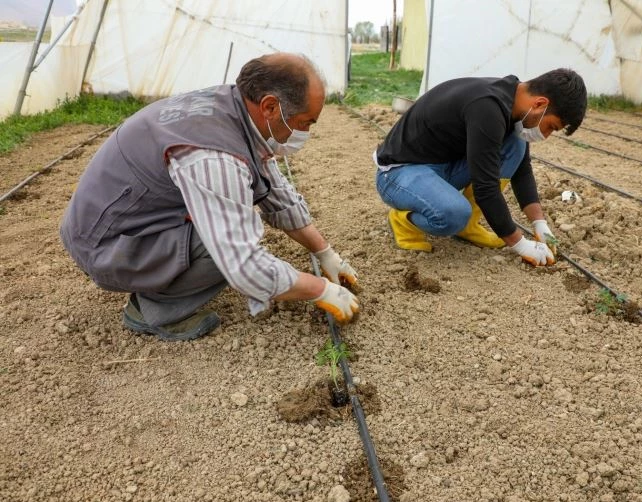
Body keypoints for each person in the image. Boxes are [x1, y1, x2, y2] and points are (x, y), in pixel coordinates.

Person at [60, 53, 360, 341]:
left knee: (231, 219)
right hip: (105, 246)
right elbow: (242, 263)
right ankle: (153, 310)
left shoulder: (234, 110)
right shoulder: (213, 156)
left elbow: (273, 189)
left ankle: (165, 279)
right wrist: (320, 289)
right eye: (305, 122)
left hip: (118, 223)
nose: (306, 131)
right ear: (270, 106)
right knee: (224, 242)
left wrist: (324, 252)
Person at [374, 69, 587, 266]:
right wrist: (519, 243)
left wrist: (540, 224)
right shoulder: (488, 107)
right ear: (540, 104)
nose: (546, 135)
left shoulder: (512, 101)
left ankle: (468, 227)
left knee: (516, 144)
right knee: (454, 214)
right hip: (399, 172)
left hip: (441, 166)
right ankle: (403, 222)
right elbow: (486, 188)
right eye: (551, 127)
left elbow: (522, 169)